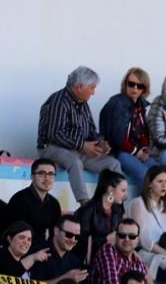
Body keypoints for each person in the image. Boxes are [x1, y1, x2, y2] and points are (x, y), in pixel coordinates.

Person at [36, 66, 121, 204]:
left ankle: (114, 203)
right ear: (80, 86)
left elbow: (92, 131)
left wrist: (100, 143)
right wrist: (82, 145)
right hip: (51, 148)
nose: (93, 92)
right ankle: (84, 204)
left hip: (79, 150)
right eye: (92, 88)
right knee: (74, 162)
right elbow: (55, 134)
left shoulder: (83, 103)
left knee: (113, 164)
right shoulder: (59, 101)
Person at [98, 67, 159, 187]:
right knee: (144, 175)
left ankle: (157, 205)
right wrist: (137, 152)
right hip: (118, 152)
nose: (135, 88)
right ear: (125, 84)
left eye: (139, 85)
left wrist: (145, 150)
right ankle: (142, 205)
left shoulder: (142, 105)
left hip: (135, 151)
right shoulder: (118, 103)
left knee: (159, 174)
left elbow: (143, 133)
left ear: (144, 88)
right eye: (131, 84)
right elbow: (117, 138)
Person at [87, 219, 156, 284]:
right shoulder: (108, 250)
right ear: (116, 237)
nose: (127, 239)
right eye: (122, 235)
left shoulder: (139, 264)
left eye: (132, 236)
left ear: (138, 239)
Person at [2, 159, 62, 247]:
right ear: (32, 177)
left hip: (42, 250)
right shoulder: (20, 199)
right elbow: (16, 235)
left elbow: (55, 234)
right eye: (41, 174)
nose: (47, 178)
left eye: (51, 174)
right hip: (20, 249)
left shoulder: (54, 203)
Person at [75, 170, 127, 267]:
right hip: (90, 262)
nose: (126, 195)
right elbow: (78, 241)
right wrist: (105, 240)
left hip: (111, 258)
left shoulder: (118, 210)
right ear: (111, 190)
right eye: (123, 190)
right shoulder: (88, 210)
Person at [29, 214, 87, 284]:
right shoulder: (38, 253)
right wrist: (65, 278)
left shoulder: (74, 261)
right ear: (56, 231)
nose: (73, 240)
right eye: (69, 234)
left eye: (77, 237)